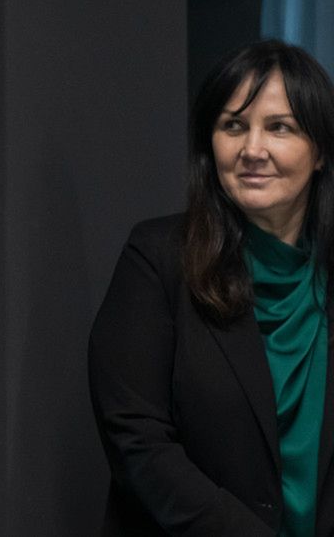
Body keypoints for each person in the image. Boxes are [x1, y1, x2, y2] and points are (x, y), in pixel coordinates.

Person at [88, 40, 334, 536]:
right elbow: (137, 441)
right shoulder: (158, 258)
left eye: (279, 127)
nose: (252, 150)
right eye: (233, 126)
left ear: (321, 152)